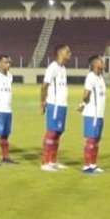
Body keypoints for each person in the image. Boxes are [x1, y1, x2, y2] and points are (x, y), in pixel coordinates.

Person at [41, 44, 72, 172]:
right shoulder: (52, 67)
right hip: (54, 104)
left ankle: (53, 161)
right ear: (60, 53)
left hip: (62, 105)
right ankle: (45, 162)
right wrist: (43, 101)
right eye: (67, 51)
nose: (70, 54)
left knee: (58, 133)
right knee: (52, 132)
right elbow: (44, 86)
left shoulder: (63, 68)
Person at [79, 55, 107, 174]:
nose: (103, 62)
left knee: (96, 140)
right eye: (101, 61)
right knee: (91, 140)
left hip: (99, 114)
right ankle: (87, 166)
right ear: (95, 64)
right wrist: (82, 104)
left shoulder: (100, 77)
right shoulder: (90, 77)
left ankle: (93, 165)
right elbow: (86, 94)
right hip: (92, 114)